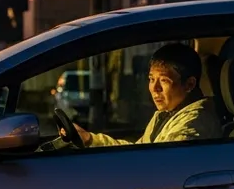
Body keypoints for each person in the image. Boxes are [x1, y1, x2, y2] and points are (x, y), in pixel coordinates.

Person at [66, 42, 222, 147]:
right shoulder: (168, 114)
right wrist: (89, 139)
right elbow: (139, 151)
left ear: (189, 84)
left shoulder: (194, 124)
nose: (154, 88)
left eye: (164, 81)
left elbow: (157, 165)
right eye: (151, 79)